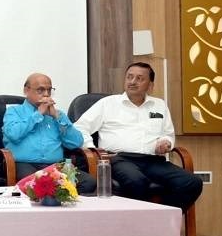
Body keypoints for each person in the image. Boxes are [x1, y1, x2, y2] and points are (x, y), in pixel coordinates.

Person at [74, 62, 202, 211]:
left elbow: (167, 134)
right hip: (119, 159)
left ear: (150, 85)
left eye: (139, 78)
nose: (133, 82)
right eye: (129, 77)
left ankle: (161, 220)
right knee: (136, 180)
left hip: (153, 161)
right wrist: (93, 149)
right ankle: (139, 226)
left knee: (192, 182)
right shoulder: (108, 104)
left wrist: (166, 142)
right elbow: (80, 127)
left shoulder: (159, 105)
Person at [3, 73, 96, 194]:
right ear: (26, 90)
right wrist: (37, 115)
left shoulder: (58, 115)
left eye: (49, 90)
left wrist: (58, 118)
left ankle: (65, 208)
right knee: (37, 184)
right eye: (41, 90)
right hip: (25, 164)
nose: (46, 94)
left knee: (89, 182)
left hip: (55, 166)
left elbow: (76, 143)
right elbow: (13, 134)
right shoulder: (14, 111)